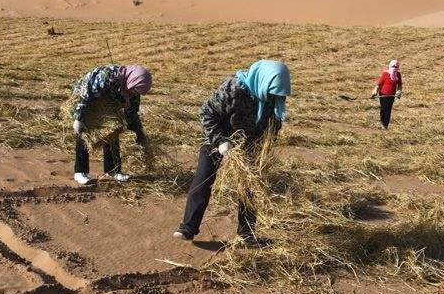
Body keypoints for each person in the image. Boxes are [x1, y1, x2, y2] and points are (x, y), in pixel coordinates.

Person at [173, 59, 291, 244]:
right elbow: (207, 112)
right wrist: (220, 141)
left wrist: (263, 150)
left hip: (249, 142)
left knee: (250, 186)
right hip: (218, 136)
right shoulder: (235, 88)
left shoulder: (272, 99)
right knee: (204, 178)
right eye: (271, 91)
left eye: (276, 93)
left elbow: (273, 125)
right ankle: (188, 227)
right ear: (265, 80)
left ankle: (246, 233)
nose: (273, 97)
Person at [70, 64, 152, 185]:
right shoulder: (107, 76)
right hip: (87, 96)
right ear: (132, 80)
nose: (133, 93)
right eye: (134, 90)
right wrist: (78, 117)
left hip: (107, 102)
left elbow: (132, 115)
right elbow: (86, 94)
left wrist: (139, 133)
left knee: (114, 128)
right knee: (85, 128)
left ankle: (113, 170)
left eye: (137, 92)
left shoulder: (133, 93)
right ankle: (80, 171)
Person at [371, 59, 403, 129]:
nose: (394, 68)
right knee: (383, 108)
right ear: (389, 66)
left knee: (388, 109)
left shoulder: (398, 75)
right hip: (383, 94)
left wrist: (399, 91)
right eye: (393, 66)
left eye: (396, 66)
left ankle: (385, 125)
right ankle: (382, 122)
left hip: (391, 95)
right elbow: (379, 84)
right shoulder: (385, 74)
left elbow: (399, 84)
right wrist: (375, 91)